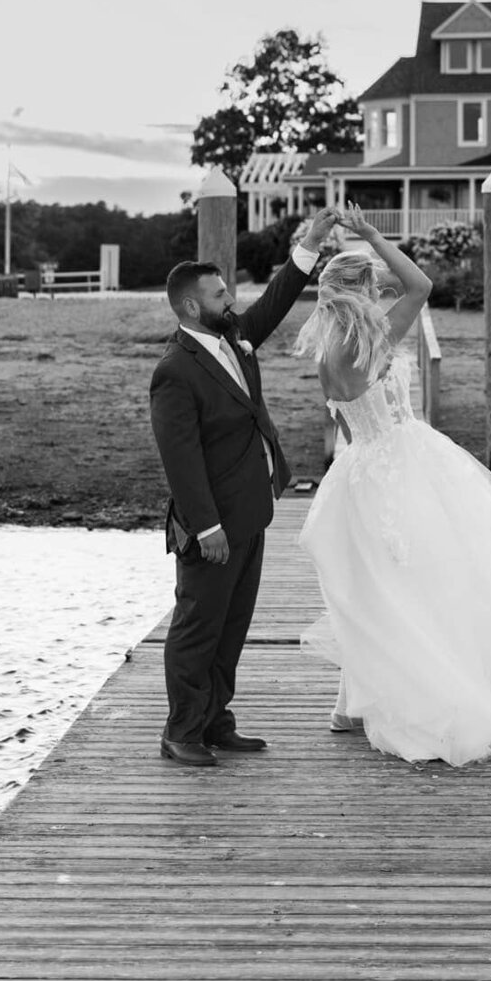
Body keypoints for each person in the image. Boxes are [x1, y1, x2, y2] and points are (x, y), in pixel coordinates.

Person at [293, 205, 491, 766]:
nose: (381, 291)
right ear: (366, 289)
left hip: (358, 475)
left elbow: (347, 425)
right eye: (375, 284)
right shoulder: (376, 337)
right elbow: (421, 283)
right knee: (431, 582)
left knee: (373, 591)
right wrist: (374, 234)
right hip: (406, 464)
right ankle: (425, 690)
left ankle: (352, 703)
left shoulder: (327, 355)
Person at [149, 206, 340, 767]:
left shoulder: (233, 339)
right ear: (190, 306)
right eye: (218, 294)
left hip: (250, 510)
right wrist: (206, 526)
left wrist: (312, 241)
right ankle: (181, 731)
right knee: (196, 626)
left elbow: (277, 300)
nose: (229, 299)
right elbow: (179, 459)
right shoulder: (174, 371)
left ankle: (215, 722)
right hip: (211, 523)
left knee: (231, 627)